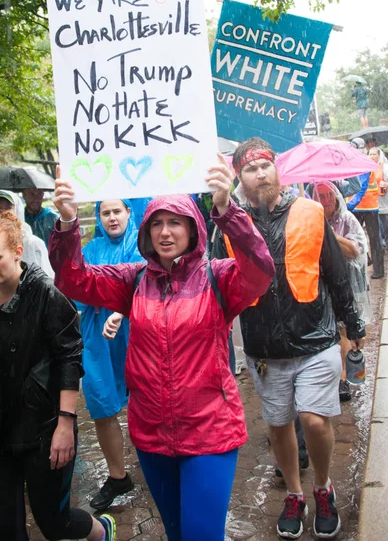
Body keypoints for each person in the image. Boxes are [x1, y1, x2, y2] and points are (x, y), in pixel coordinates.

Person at [48, 155, 275, 541]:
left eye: (175, 222)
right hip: (152, 435)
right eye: (157, 223)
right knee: (176, 534)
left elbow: (260, 270)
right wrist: (68, 222)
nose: (165, 232)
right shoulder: (133, 280)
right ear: (147, 231)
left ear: (192, 229)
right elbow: (73, 279)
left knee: (201, 535)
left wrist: (225, 208)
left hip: (210, 433)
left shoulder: (217, 277)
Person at [223, 138, 365, 539]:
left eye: (266, 165)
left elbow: (336, 274)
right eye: (251, 168)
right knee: (279, 425)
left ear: (277, 169)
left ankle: (323, 487)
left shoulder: (310, 211)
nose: (261, 173)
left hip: (316, 339)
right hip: (264, 349)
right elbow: (220, 283)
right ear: (240, 177)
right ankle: (295, 495)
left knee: (313, 420)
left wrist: (352, 328)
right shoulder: (232, 224)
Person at [0, 212, 116, 541]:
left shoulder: (46, 293)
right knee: (7, 528)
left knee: (53, 523)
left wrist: (65, 424)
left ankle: (101, 531)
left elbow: (69, 357)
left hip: (44, 428)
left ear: (18, 252)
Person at [79, 199, 143, 511]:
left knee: (145, 400)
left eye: (118, 211)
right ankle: (118, 475)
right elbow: (80, 285)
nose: (112, 217)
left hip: (136, 330)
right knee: (102, 403)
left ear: (129, 212)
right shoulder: (90, 250)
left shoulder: (142, 242)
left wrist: (120, 309)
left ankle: (157, 461)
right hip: (98, 334)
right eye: (105, 212)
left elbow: (145, 282)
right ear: (98, 216)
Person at [311, 181, 372, 402]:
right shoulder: (307, 220)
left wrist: (328, 234)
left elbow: (356, 250)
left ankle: (343, 379)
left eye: (329, 195)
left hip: (346, 285)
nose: (326, 199)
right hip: (319, 286)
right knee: (330, 331)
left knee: (345, 331)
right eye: (320, 195)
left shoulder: (346, 220)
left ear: (336, 196)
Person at [0, 189, 54, 278]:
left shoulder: (33, 243)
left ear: (18, 209)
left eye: (8, 208)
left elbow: (47, 281)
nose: (4, 213)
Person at [347, 138, 384, 279]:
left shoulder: (362, 164)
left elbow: (361, 188)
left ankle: (378, 270)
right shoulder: (354, 163)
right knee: (357, 238)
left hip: (367, 207)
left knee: (372, 239)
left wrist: (349, 206)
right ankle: (366, 262)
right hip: (359, 207)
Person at [368, 146, 388, 249]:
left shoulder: (385, 167)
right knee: (377, 227)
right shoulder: (367, 169)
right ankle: (381, 245)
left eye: (374, 154)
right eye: (370, 154)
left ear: (379, 155)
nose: (371, 156)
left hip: (384, 203)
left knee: (385, 226)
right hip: (373, 204)